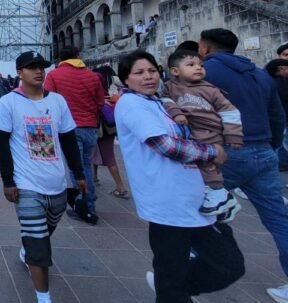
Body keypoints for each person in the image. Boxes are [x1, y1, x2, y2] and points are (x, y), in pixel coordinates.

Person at [114, 49, 244, 302]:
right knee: (185, 271)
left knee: (229, 265)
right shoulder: (132, 103)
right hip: (167, 203)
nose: (148, 77)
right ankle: (170, 288)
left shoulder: (161, 102)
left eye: (152, 70)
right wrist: (211, 152)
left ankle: (170, 287)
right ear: (125, 79)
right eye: (139, 73)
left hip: (194, 198)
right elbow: (165, 145)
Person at [198, 29, 288, 302]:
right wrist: (269, 146)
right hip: (263, 151)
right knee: (278, 218)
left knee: (198, 208)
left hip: (226, 151)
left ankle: (182, 268)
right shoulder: (260, 74)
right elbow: (277, 115)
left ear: (205, 48)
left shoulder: (204, 72)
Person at [0, 50, 87, 303]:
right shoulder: (8, 103)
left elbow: (68, 140)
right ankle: (43, 297)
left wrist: (79, 174)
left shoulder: (58, 101)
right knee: (38, 244)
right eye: (32, 67)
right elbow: (1, 145)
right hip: (26, 184)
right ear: (19, 72)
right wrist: (8, 181)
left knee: (48, 229)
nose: (38, 71)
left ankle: (28, 250)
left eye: (41, 66)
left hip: (56, 182)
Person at [162, 50, 244, 220]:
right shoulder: (171, 87)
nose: (198, 68)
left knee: (207, 163)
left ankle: (218, 193)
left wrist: (234, 135)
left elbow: (230, 112)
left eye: (201, 65)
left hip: (210, 131)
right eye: (191, 65)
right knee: (197, 164)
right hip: (191, 131)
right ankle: (222, 202)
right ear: (175, 71)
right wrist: (176, 112)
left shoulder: (211, 90)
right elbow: (165, 100)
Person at [44, 46, 104, 218]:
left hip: (68, 128)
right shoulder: (93, 76)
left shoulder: (54, 75)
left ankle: (85, 205)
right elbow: (100, 102)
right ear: (78, 56)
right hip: (90, 126)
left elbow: (49, 100)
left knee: (76, 168)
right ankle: (89, 200)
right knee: (85, 165)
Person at [91, 67, 130, 199]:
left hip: (99, 128)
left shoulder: (95, 94)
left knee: (107, 157)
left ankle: (121, 188)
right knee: (95, 153)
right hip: (110, 127)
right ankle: (94, 177)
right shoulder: (112, 91)